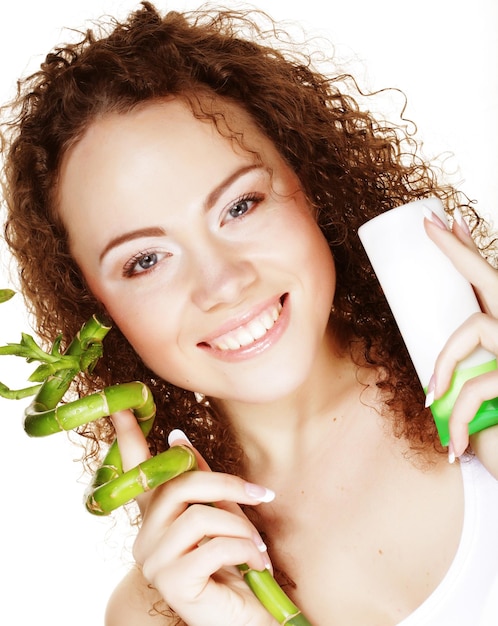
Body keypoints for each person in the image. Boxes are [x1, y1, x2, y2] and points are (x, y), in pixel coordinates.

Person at [1, 2, 498, 624]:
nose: (223, 283)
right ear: (93, 307)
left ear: (310, 182)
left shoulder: (488, 376)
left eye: (239, 206)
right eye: (146, 260)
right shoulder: (166, 606)